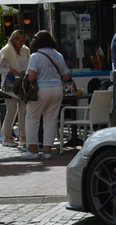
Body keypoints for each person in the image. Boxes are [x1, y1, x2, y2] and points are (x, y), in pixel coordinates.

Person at [21, 30, 70, 159]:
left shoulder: (35, 56)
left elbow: (31, 77)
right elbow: (66, 76)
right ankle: (47, 151)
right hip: (57, 90)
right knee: (51, 120)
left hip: (41, 91)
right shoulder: (58, 55)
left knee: (32, 119)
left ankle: (32, 150)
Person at [0, 30, 30, 148]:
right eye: (21, 41)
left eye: (24, 41)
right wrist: (11, 71)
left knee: (23, 112)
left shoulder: (25, 51)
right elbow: (0, 68)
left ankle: (23, 136)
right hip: (11, 85)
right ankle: (7, 137)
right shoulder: (6, 51)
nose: (23, 43)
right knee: (11, 111)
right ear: (15, 40)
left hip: (22, 84)